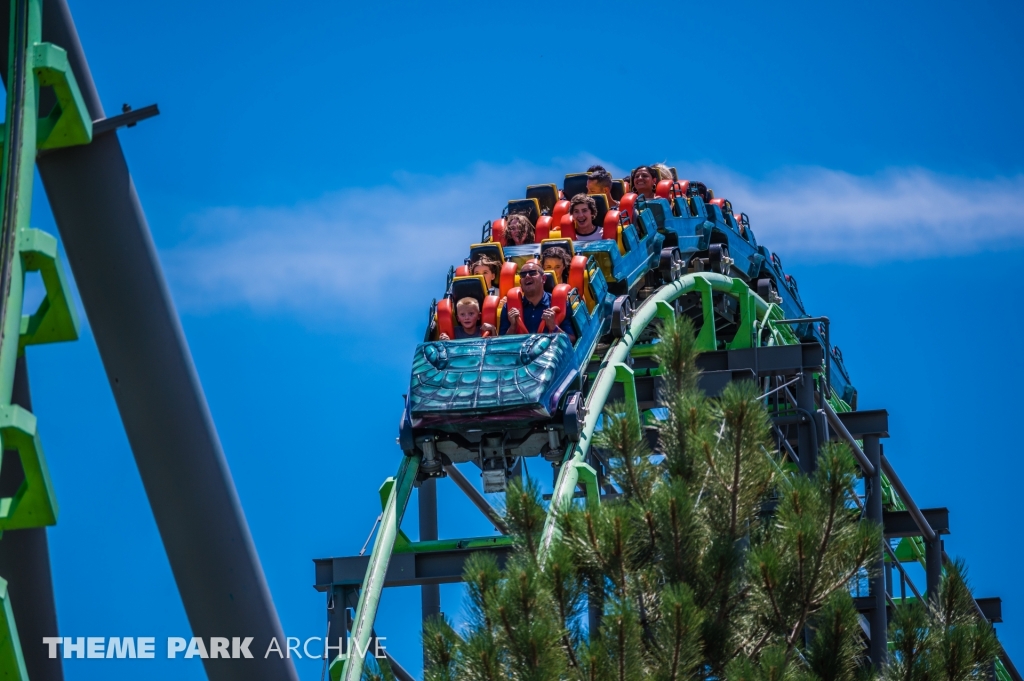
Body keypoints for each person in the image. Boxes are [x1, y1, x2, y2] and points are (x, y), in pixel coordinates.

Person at [499, 259, 574, 340]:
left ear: (543, 279)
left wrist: (553, 327)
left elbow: (572, 340)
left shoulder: (561, 304)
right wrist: (513, 326)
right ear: (521, 283)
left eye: (532, 273)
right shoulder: (509, 307)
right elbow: (501, 342)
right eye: (523, 275)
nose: (527, 276)